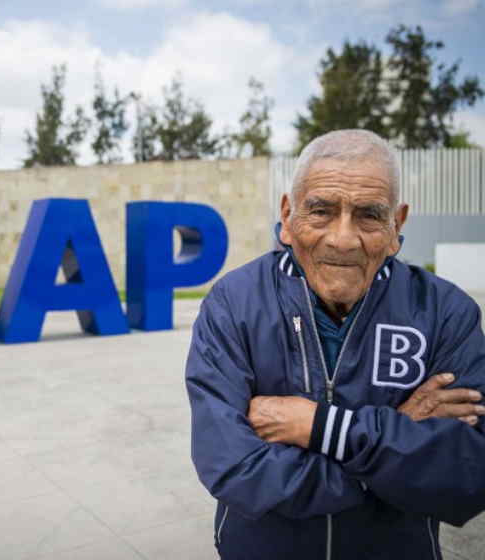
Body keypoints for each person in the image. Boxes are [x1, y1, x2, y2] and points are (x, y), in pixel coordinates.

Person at [185, 129, 485, 560]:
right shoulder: (233, 303)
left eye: (368, 215)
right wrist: (394, 440)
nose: (342, 239)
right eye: (321, 210)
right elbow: (236, 471)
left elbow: (466, 474)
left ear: (397, 225)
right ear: (288, 216)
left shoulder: (445, 312)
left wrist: (322, 428)